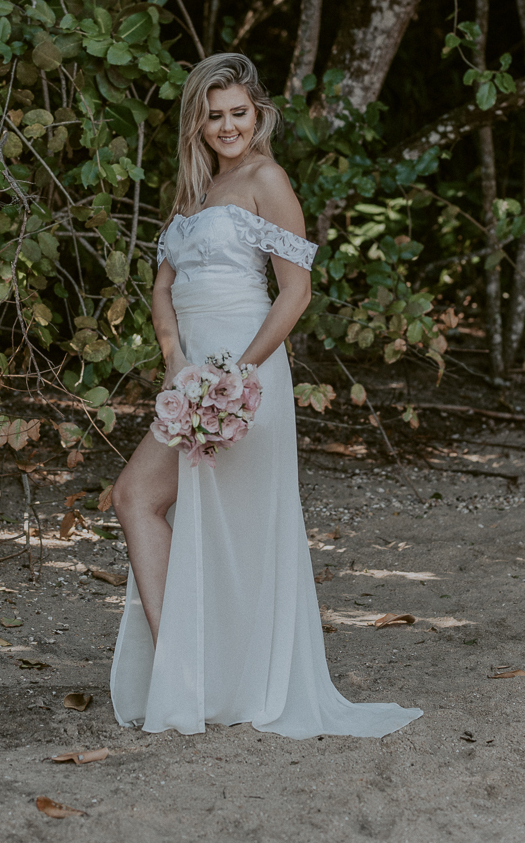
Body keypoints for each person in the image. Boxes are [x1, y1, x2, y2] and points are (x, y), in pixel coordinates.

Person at [110, 53, 422, 739]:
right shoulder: (193, 189)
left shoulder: (266, 179)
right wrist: (175, 364)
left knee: (234, 528)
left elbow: (296, 290)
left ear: (259, 113)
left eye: (238, 114)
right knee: (138, 498)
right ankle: (186, 673)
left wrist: (237, 373)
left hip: (243, 377)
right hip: (188, 376)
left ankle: (220, 679)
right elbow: (162, 287)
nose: (226, 126)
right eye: (213, 115)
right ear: (197, 120)